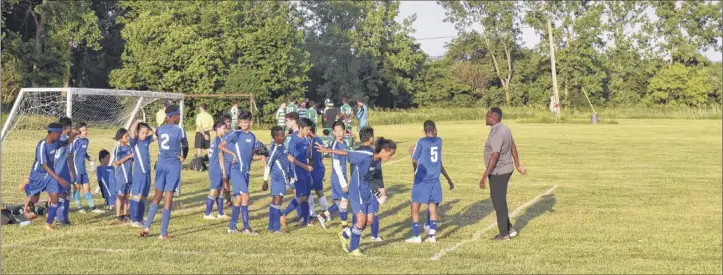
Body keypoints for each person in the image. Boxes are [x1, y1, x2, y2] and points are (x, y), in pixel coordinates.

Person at [315, 130, 397, 256]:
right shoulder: (366, 154)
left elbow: (376, 175)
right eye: (390, 154)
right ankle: (354, 249)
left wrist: (381, 189)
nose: (390, 158)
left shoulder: (377, 160)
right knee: (360, 219)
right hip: (357, 189)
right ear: (384, 150)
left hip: (368, 190)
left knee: (369, 221)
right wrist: (328, 150)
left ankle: (345, 234)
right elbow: (347, 153)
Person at [139, 105, 189, 240]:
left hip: (161, 164)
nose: (180, 117)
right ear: (173, 117)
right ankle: (163, 233)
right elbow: (185, 145)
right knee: (168, 199)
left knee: (157, 197)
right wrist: (183, 156)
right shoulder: (179, 130)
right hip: (173, 165)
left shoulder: (160, 129)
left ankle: (147, 226)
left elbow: (152, 137)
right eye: (178, 115)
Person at [480, 107, 526, 241]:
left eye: (487, 116)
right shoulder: (505, 128)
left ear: (493, 118)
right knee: (498, 200)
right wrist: (517, 165)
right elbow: (513, 146)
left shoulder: (496, 133)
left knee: (499, 203)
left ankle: (504, 234)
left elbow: (494, 156)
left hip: (499, 172)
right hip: (507, 168)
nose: (485, 117)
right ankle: (509, 229)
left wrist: (484, 177)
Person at [405, 120, 455, 243]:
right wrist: (448, 179)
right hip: (435, 180)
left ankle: (416, 236)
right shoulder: (439, 141)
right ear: (435, 130)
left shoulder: (421, 141)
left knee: (415, 207)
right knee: (432, 207)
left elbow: (414, 159)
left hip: (422, 180)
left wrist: (415, 170)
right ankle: (432, 236)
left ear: (424, 131)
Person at [220, 112, 264, 235]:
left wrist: (261, 157)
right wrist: (232, 154)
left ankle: (232, 227)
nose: (244, 124)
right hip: (237, 170)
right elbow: (221, 145)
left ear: (250, 122)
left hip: (246, 171)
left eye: (246, 122)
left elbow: (249, 156)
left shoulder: (252, 136)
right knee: (245, 197)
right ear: (239, 123)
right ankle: (246, 227)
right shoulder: (236, 134)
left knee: (238, 199)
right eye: (242, 122)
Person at [279, 117, 314, 228]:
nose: (308, 132)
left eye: (309, 129)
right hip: (298, 172)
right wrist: (303, 166)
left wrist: (309, 164)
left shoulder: (306, 140)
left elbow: (307, 155)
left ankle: (306, 220)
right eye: (306, 130)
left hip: (306, 171)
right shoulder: (294, 141)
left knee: (306, 196)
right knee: (302, 197)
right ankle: (284, 213)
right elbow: (289, 156)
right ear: (300, 128)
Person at [262, 126, 292, 233]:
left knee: (275, 202)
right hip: (277, 179)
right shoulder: (275, 150)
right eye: (281, 136)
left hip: (283, 178)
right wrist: (265, 181)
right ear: (275, 137)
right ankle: (276, 228)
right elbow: (268, 165)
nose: (283, 137)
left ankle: (271, 227)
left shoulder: (282, 146)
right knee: (277, 202)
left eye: (284, 135)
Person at [71, 122, 103, 214]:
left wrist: (89, 158)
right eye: (83, 130)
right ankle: (79, 207)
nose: (85, 132)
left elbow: (84, 153)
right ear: (78, 131)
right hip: (76, 169)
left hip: (83, 168)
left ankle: (93, 207)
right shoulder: (75, 141)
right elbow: (70, 154)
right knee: (77, 188)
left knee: (87, 188)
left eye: (86, 130)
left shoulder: (86, 141)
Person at [128, 121, 155, 227]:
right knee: (137, 197)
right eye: (142, 133)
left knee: (143, 197)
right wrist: (137, 122)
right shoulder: (134, 142)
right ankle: (134, 220)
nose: (144, 135)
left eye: (146, 133)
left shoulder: (146, 141)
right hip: (139, 173)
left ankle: (140, 219)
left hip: (147, 173)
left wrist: (148, 126)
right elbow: (132, 130)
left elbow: (157, 134)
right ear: (138, 132)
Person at [205, 121, 232, 220]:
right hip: (216, 168)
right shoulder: (218, 141)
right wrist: (223, 170)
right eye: (223, 128)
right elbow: (220, 156)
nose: (225, 130)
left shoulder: (217, 139)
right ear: (217, 129)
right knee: (214, 190)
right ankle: (207, 213)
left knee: (221, 190)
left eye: (225, 128)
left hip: (215, 167)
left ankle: (221, 213)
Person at [55, 116, 77, 225]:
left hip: (61, 170)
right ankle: (60, 220)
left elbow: (69, 156)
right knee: (62, 194)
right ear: (67, 127)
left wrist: (72, 171)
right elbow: (69, 156)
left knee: (66, 193)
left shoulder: (55, 137)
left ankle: (65, 218)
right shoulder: (64, 139)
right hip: (61, 171)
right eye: (70, 127)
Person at [307, 126, 330, 229]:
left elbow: (311, 157)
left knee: (308, 192)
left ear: (308, 130)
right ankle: (327, 214)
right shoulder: (319, 139)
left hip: (315, 169)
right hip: (320, 168)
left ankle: (312, 217)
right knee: (319, 191)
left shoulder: (314, 141)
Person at [113, 128, 134, 222]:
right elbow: (117, 162)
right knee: (120, 195)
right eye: (126, 136)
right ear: (120, 138)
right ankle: (118, 215)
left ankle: (125, 214)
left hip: (129, 175)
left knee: (126, 196)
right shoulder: (119, 148)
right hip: (121, 175)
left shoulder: (129, 147)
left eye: (128, 136)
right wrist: (128, 156)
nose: (128, 138)